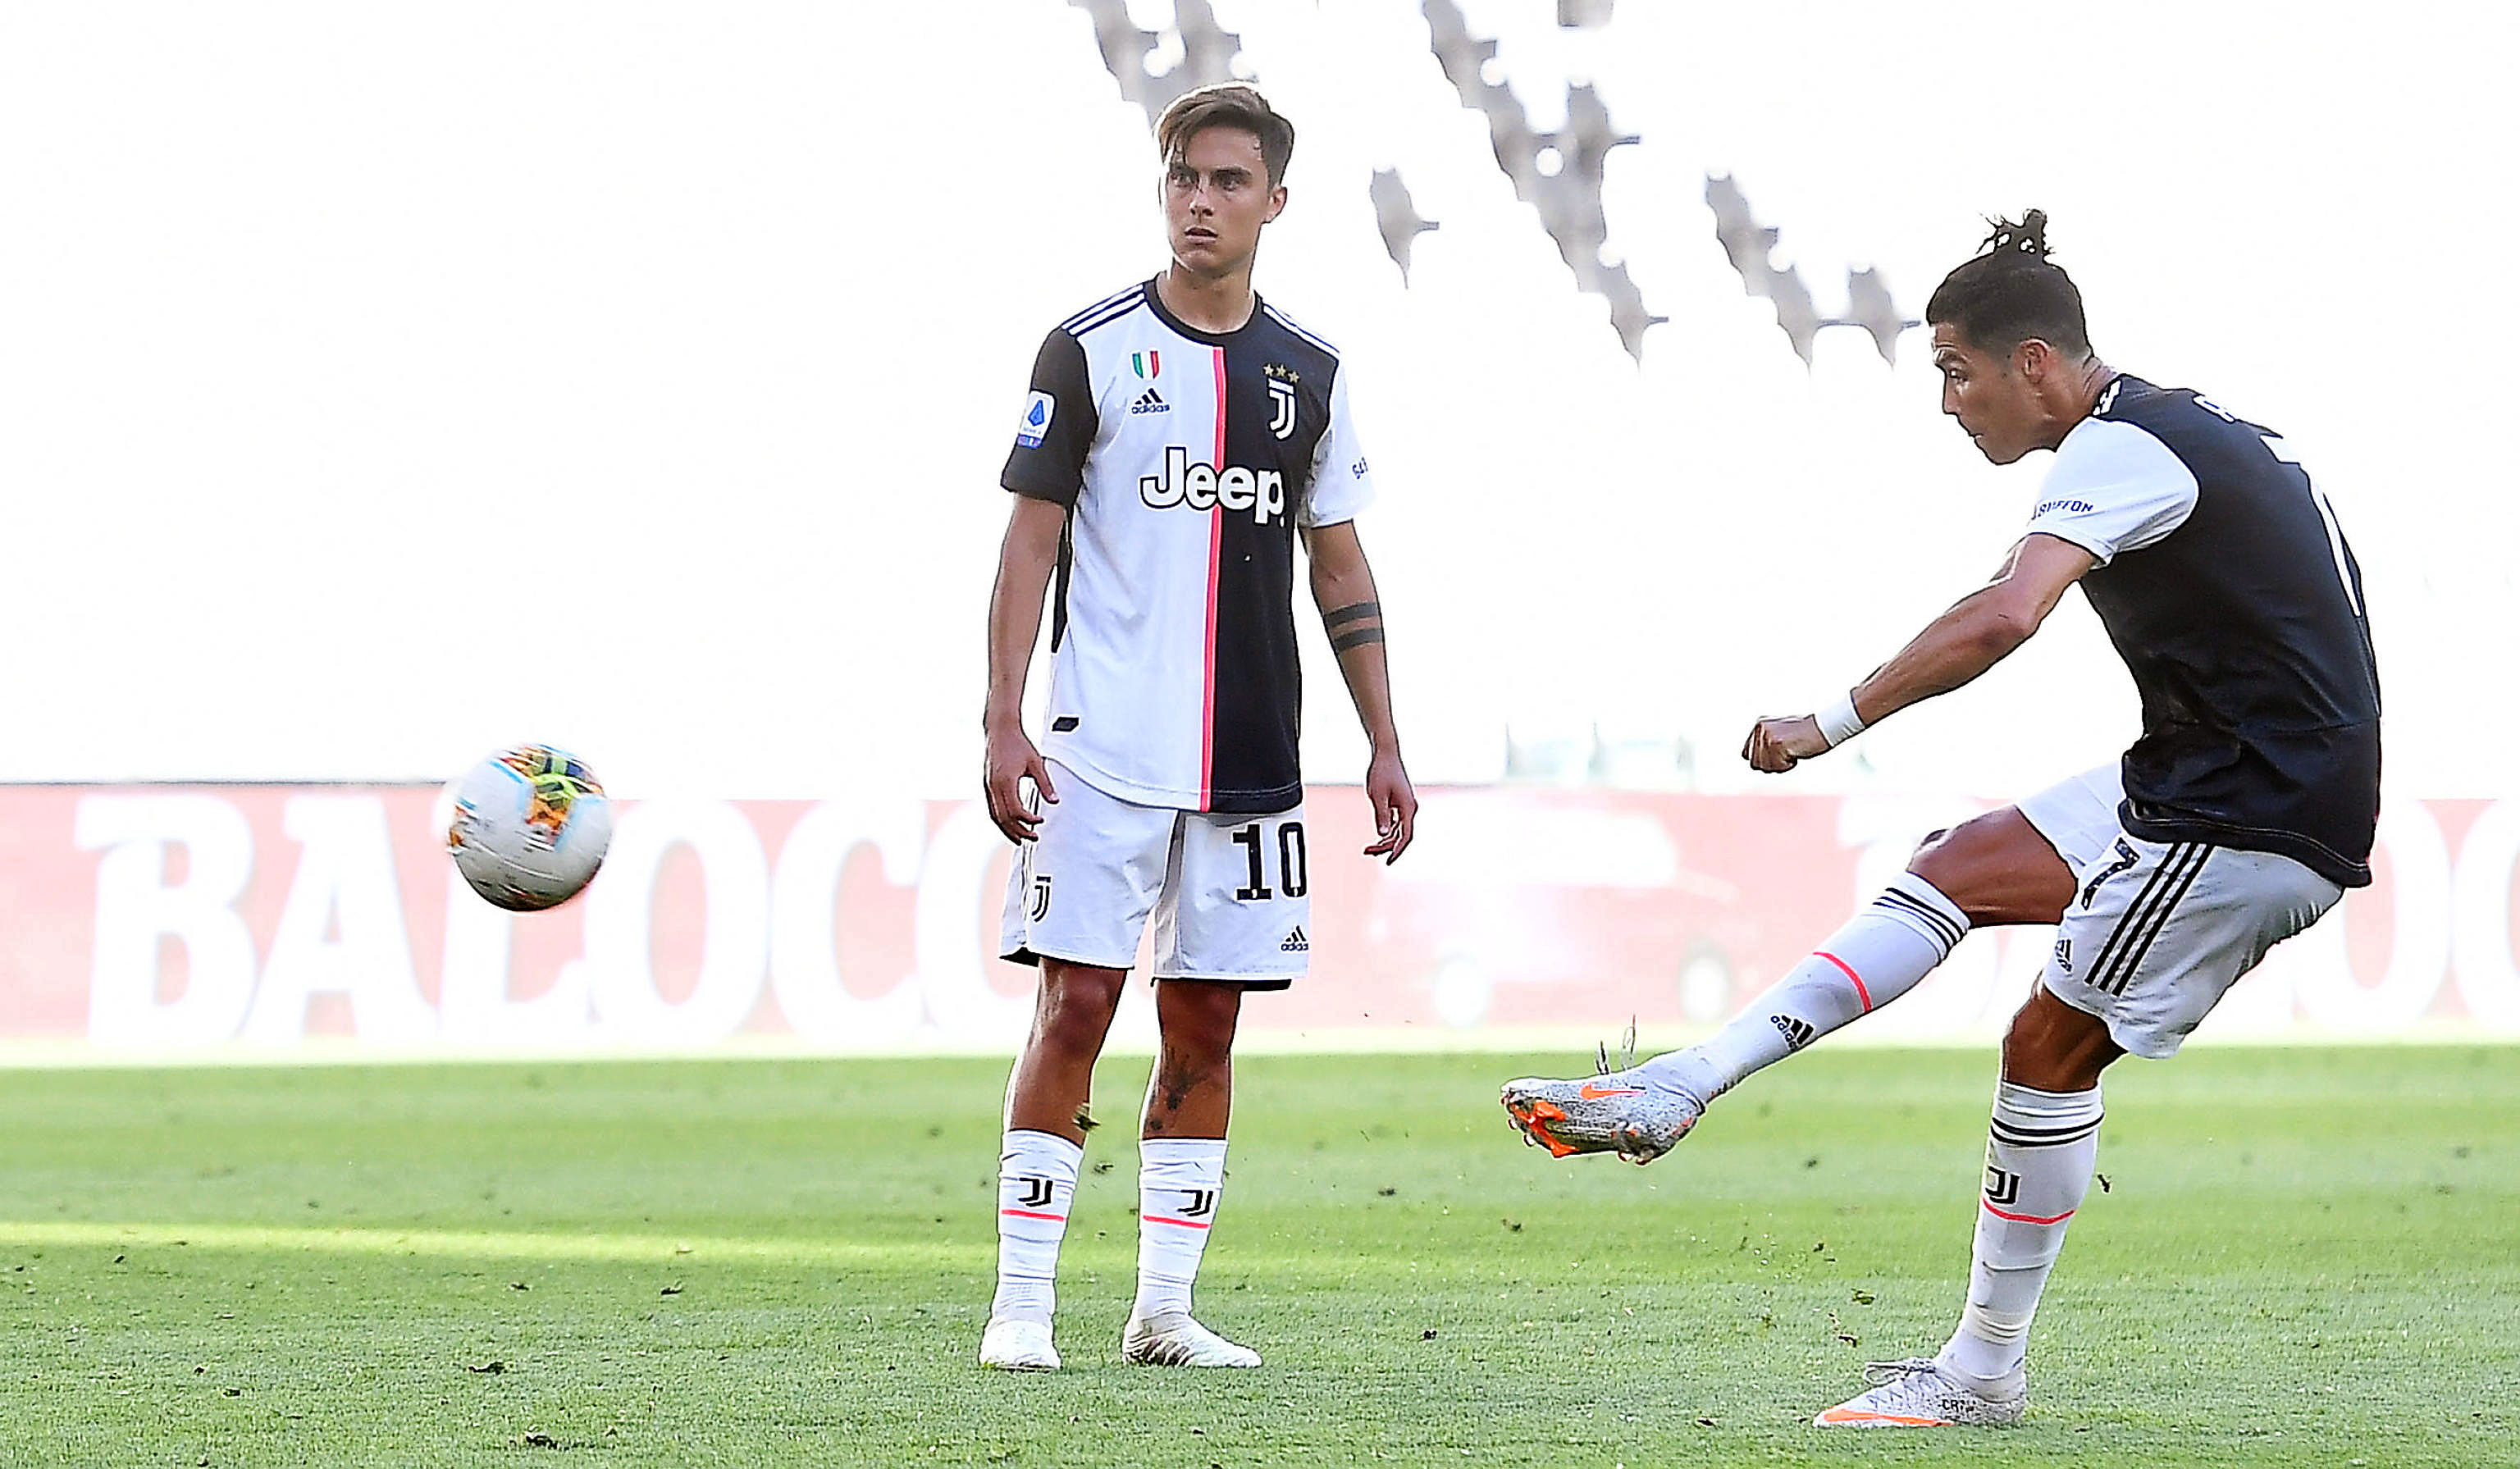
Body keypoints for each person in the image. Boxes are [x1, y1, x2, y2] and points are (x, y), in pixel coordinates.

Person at [1500, 212, 2381, 1426]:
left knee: (2046, 1052)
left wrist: (1830, 720)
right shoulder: (2192, 429)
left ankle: (1979, 1374)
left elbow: (2006, 614)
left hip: (2251, 809)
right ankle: (1683, 1084)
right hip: (2219, 767)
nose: (1949, 402)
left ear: (2036, 363)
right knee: (1956, 865)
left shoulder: (2119, 447)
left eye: (1958, 371)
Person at [978, 82, 1418, 1373]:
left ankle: (1162, 1311)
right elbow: (1027, 543)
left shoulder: (1310, 374)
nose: (1201, 202)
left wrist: (1385, 741)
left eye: (1228, 181)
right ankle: (1022, 1306)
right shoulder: (1088, 349)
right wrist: (1003, 720)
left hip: (1252, 757)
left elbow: (1339, 566)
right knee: (1074, 1005)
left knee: (1208, 1023)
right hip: (1101, 748)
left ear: (1275, 201)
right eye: (1183, 177)